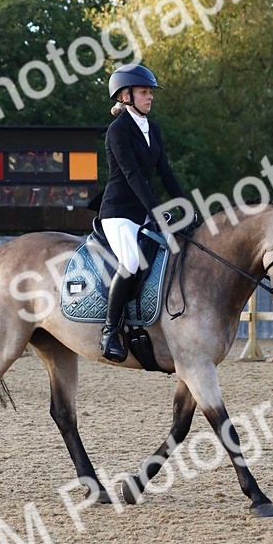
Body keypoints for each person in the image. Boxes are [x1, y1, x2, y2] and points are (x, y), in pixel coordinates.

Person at [97, 63, 191, 362]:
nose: (150, 97)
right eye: (144, 92)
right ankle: (110, 331)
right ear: (125, 96)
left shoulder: (153, 128)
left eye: (150, 92)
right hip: (119, 211)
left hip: (145, 209)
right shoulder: (117, 131)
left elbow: (165, 172)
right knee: (132, 260)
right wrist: (160, 212)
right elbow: (133, 176)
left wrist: (187, 206)